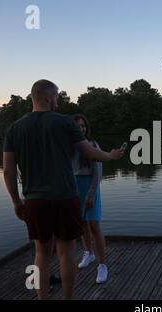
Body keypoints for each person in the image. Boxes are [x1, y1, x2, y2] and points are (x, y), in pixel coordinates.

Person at [3, 79, 124, 299]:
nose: (57, 100)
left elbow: (8, 171)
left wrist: (16, 201)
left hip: (34, 200)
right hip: (65, 197)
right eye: (57, 96)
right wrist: (110, 155)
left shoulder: (14, 129)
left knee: (41, 253)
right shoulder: (63, 123)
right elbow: (90, 152)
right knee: (66, 254)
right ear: (48, 97)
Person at [71, 114, 107, 284]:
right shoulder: (69, 147)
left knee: (94, 224)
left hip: (90, 186)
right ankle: (88, 253)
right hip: (75, 188)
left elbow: (98, 173)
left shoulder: (92, 145)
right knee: (82, 223)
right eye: (78, 126)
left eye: (83, 126)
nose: (81, 129)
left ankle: (102, 265)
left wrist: (91, 195)